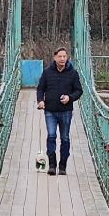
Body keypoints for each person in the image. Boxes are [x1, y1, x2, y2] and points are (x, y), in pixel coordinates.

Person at [36, 46, 84, 176]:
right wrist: (40, 100)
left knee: (65, 138)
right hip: (50, 110)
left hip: (66, 111)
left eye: (64, 56)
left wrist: (70, 98)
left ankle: (62, 166)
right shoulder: (47, 72)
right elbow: (40, 88)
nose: (62, 58)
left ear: (67, 58)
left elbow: (79, 90)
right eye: (60, 56)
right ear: (54, 58)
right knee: (51, 136)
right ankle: (52, 165)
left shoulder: (73, 73)